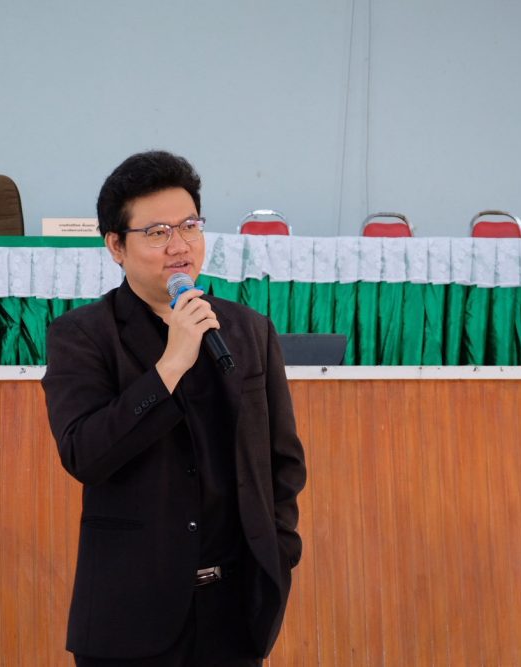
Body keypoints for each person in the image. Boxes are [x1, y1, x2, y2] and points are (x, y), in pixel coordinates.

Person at [42, 150, 306, 666]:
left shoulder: (249, 330)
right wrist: (171, 364)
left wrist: (278, 551)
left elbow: (283, 461)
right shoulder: (82, 335)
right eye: (157, 232)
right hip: (130, 616)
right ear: (116, 246)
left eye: (189, 226)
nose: (180, 246)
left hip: (234, 613)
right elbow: (85, 455)